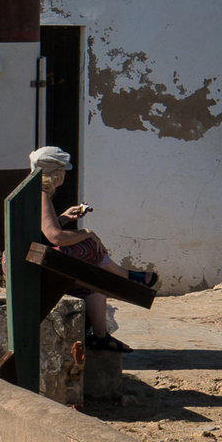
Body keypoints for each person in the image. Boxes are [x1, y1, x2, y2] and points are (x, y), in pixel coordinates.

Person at [29, 145, 157, 353]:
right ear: (56, 173)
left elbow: (43, 230)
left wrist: (63, 217)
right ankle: (127, 276)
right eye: (63, 172)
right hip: (32, 262)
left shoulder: (33, 191)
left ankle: (101, 336)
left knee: (91, 283)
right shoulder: (41, 195)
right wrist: (88, 232)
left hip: (30, 256)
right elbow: (55, 236)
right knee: (87, 245)